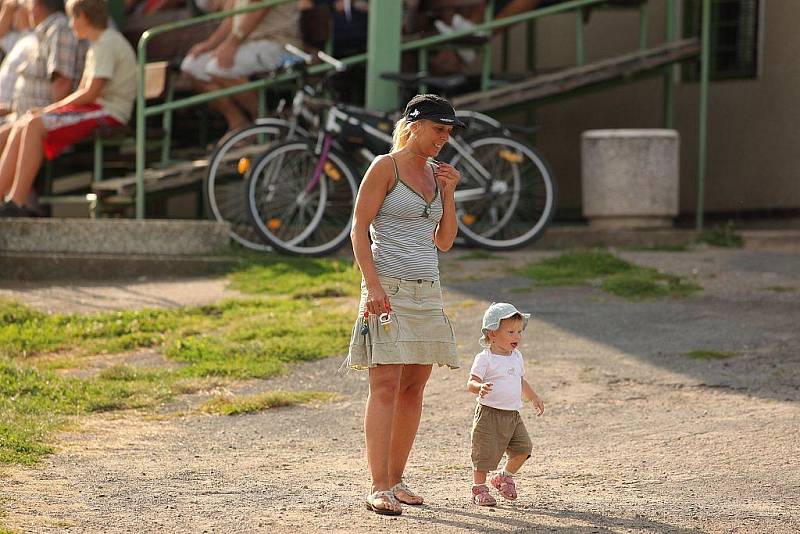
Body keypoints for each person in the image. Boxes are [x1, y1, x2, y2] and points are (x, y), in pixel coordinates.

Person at [345, 94, 464, 516]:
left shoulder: (437, 173)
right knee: (386, 385)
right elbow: (359, 228)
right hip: (387, 287)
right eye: (438, 130)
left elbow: (445, 241)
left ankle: (397, 480)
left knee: (415, 387)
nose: (442, 140)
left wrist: (449, 192)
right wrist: (372, 285)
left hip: (427, 288)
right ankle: (378, 486)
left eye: (448, 133)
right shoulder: (385, 167)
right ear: (413, 125)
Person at [0, 0, 135, 216]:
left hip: (109, 113)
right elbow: (83, 90)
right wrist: (50, 110)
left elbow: (90, 93)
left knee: (35, 124)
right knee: (24, 123)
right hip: (96, 109)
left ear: (83, 17)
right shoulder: (98, 44)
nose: (70, 24)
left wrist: (48, 110)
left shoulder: (107, 42)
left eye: (73, 18)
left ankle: (16, 201)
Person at [180, 0, 302, 132]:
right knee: (191, 67)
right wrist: (210, 44)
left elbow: (258, 9)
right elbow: (232, 19)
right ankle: (238, 123)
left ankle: (263, 121)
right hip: (248, 44)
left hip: (280, 45)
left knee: (218, 68)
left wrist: (232, 44)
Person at [466, 302, 545, 506]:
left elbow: (520, 380)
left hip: (512, 415)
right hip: (489, 413)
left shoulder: (516, 356)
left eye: (519, 331)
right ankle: (479, 489)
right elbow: (471, 382)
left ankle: (504, 476)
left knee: (524, 448)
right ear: (492, 334)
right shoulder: (485, 358)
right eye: (510, 332)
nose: (517, 336)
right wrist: (479, 387)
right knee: (484, 454)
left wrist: (533, 397)